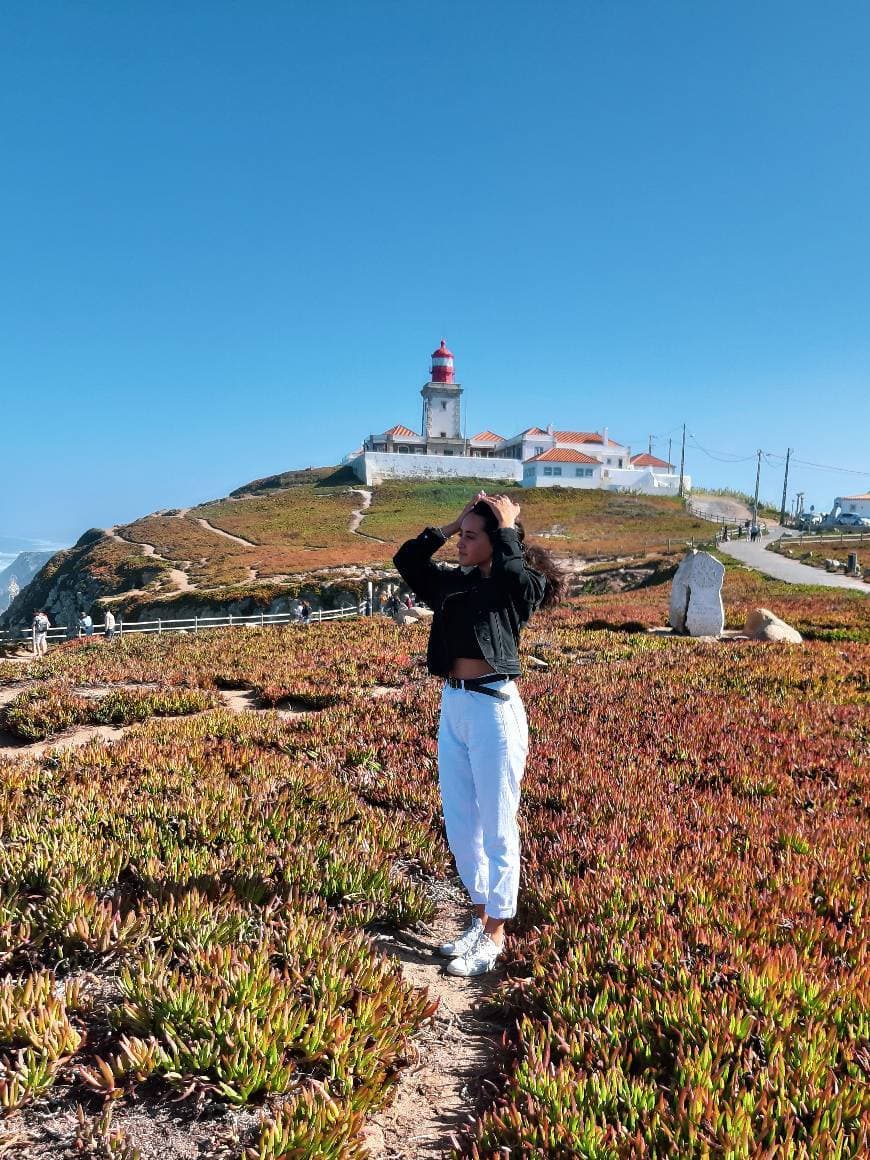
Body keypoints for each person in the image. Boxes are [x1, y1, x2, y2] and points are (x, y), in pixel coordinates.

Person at [394, 490, 565, 977]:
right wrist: (451, 525)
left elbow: (518, 579)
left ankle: (496, 933)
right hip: (455, 705)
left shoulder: (516, 587)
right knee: (461, 822)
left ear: (497, 542)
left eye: (471, 538)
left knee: (497, 822)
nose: (460, 545)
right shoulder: (454, 584)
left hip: (494, 709)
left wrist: (507, 526)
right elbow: (407, 560)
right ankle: (477, 918)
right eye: (460, 537)